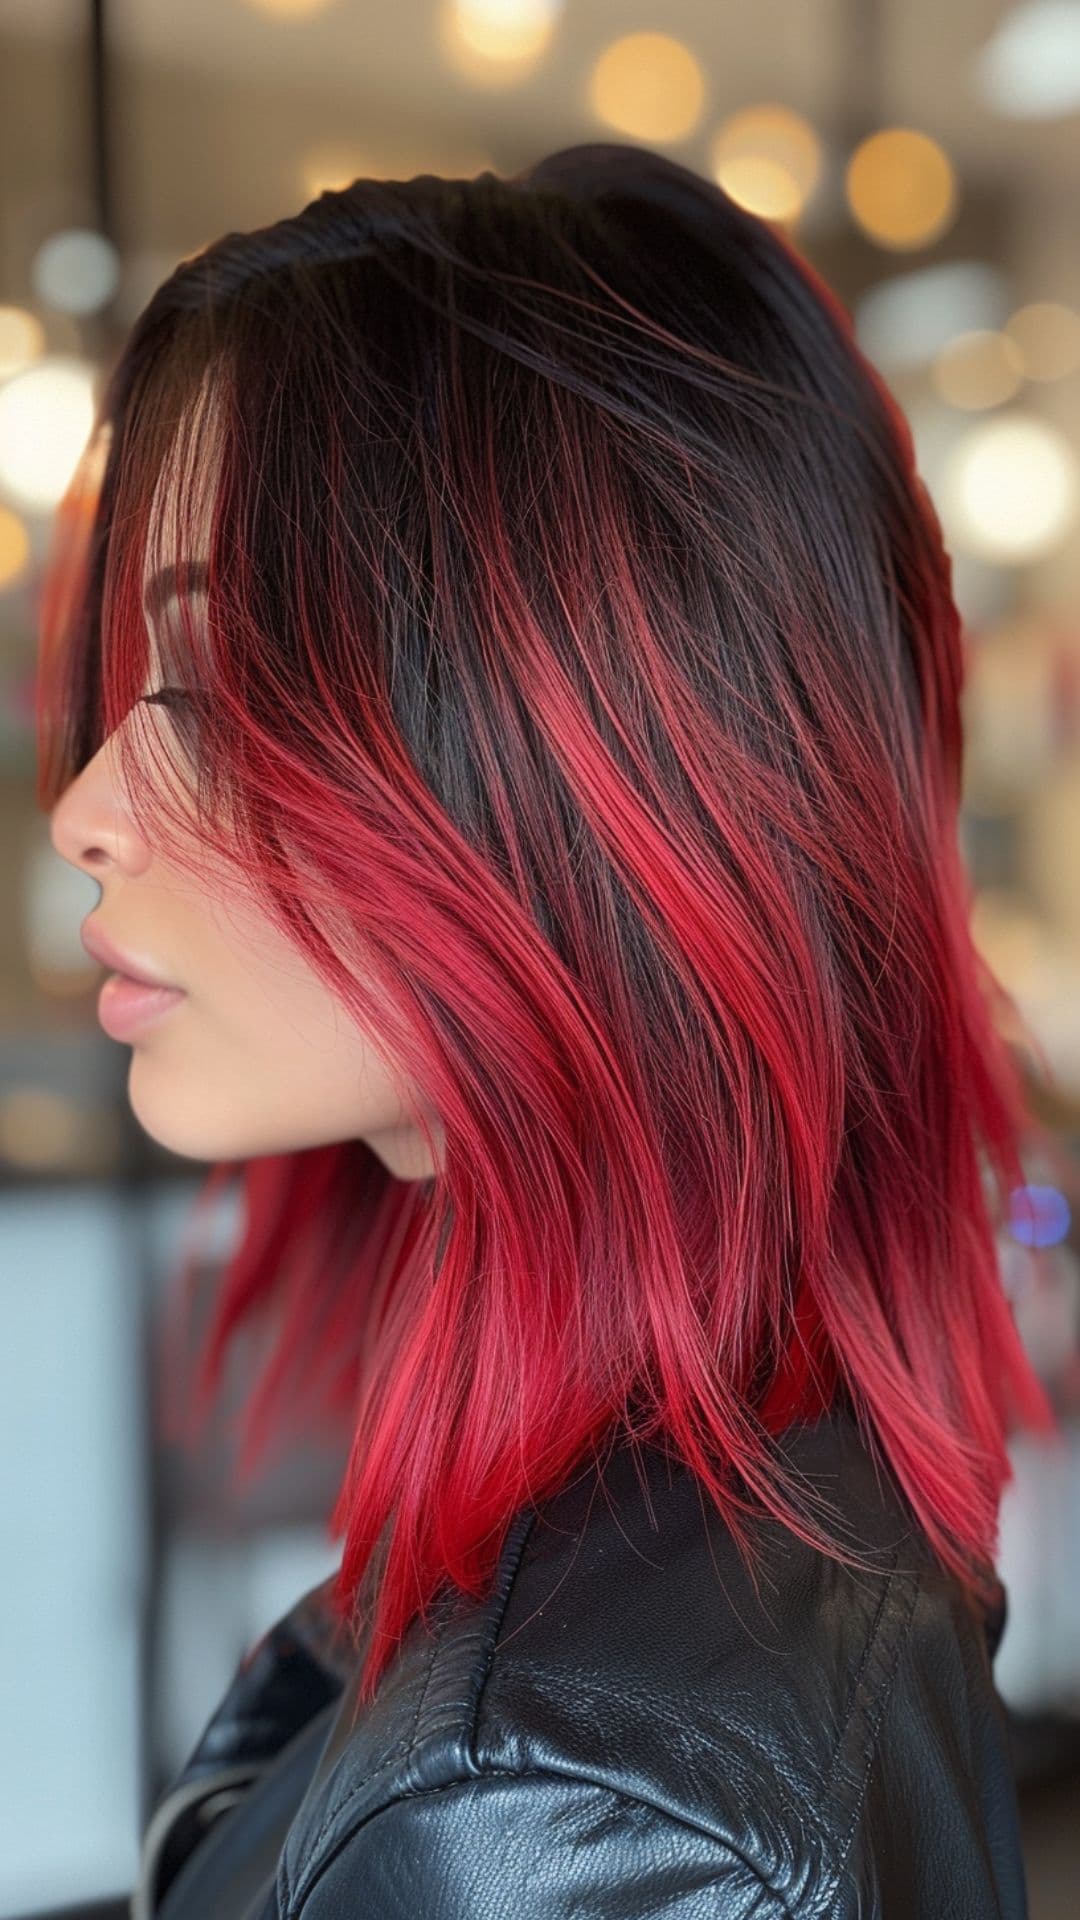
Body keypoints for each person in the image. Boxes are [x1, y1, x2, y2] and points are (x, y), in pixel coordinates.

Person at [39, 142, 1058, 1918]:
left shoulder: (566, 1819)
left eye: (206, 688)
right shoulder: (707, 1528)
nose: (89, 806)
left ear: (566, 770)